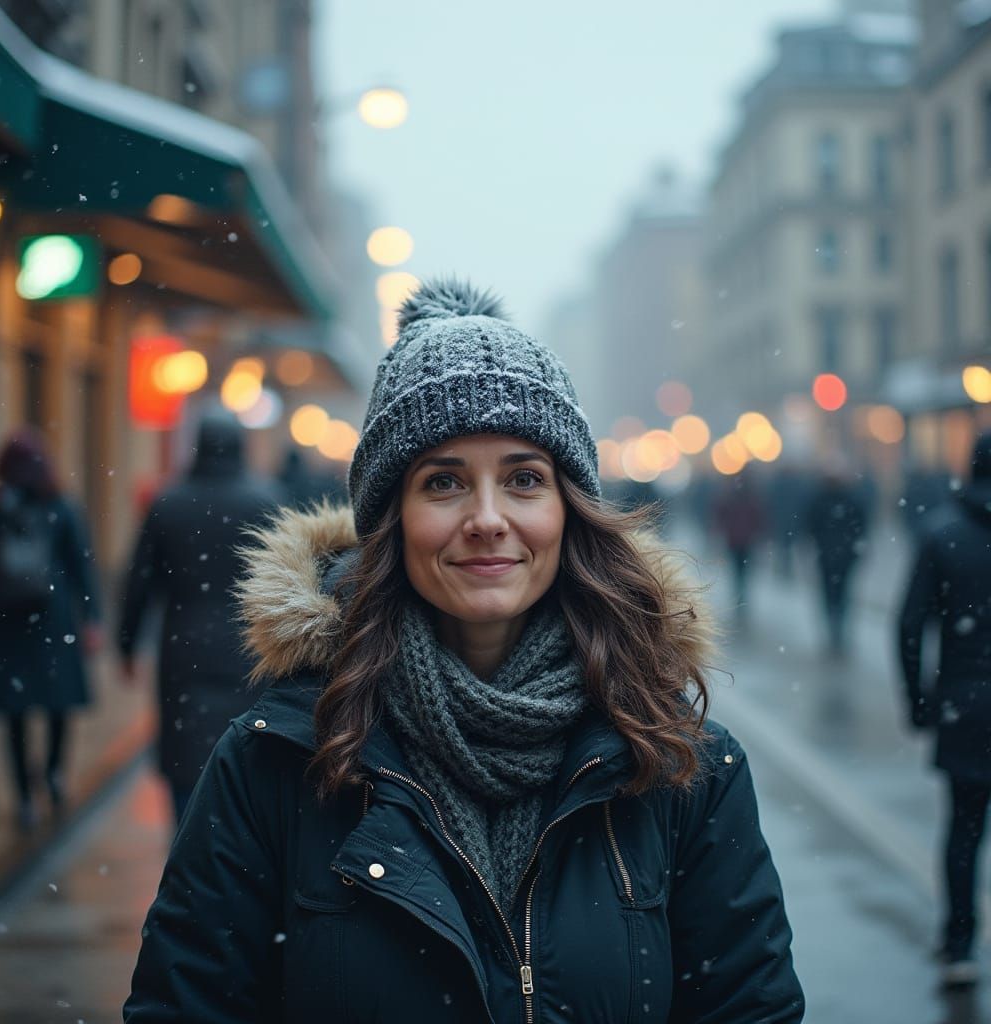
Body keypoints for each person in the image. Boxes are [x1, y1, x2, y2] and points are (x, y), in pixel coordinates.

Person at [125, 279, 804, 1022]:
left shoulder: (679, 762)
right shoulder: (277, 761)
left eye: (523, 479)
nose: (487, 519)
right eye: (444, 481)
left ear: (567, 511)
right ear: (393, 519)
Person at [117, 409, 280, 822]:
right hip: (247, 647)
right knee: (243, 750)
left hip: (183, 644)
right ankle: (235, 852)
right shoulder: (264, 502)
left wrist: (127, 645)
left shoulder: (168, 503)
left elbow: (139, 582)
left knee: (185, 754)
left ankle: (185, 848)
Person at [0, 429, 102, 829]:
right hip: (52, 618)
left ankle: (25, 795)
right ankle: (54, 774)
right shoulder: (60, 505)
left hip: (8, 620)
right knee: (56, 701)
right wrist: (92, 617)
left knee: (16, 708)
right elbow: (81, 565)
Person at [898, 431, 991, 989]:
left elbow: (910, 625)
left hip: (967, 705)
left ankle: (959, 943)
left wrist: (920, 700)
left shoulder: (943, 533)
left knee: (965, 828)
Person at [805, 460, 869, 656]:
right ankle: (838, 629)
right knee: (842, 593)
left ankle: (835, 629)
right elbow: (861, 526)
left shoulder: (820, 500)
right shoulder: (850, 500)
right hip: (843, 555)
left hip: (829, 555)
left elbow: (810, 526)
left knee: (830, 593)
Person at [711, 467, 768, 625]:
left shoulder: (730, 495)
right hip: (745, 540)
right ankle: (741, 597)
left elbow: (720, 514)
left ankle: (740, 597)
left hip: (735, 539)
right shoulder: (752, 496)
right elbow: (759, 517)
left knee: (738, 571)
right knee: (743, 571)